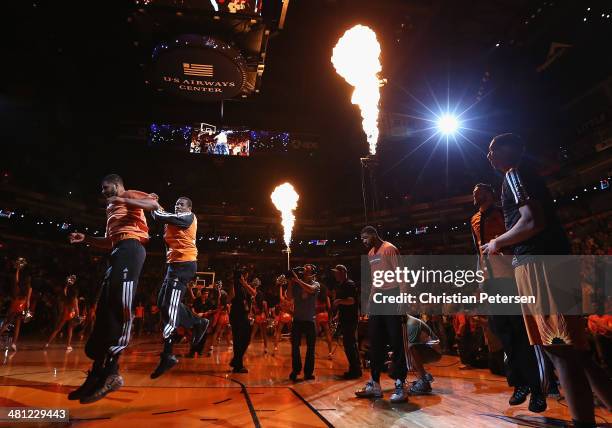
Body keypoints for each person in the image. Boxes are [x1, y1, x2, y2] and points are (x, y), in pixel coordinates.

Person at [482, 133, 612, 426]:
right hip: (554, 261)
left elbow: (531, 221)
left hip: (539, 264)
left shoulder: (514, 174)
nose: (489, 155)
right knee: (577, 351)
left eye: (494, 149)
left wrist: (496, 243)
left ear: (513, 149)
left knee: (559, 349)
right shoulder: (526, 174)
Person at [67, 174, 160, 404]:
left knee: (120, 305)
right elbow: (109, 241)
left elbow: (153, 204)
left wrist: (126, 201)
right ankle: (97, 373)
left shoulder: (127, 195)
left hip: (132, 248)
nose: (103, 191)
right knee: (104, 310)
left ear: (117, 185)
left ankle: (113, 372)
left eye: (105, 187)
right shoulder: (111, 211)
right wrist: (86, 238)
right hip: (118, 250)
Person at [471, 182, 548, 412]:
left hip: (511, 278)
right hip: (491, 282)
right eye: (473, 193)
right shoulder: (473, 220)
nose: (475, 195)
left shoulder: (505, 211)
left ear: (490, 193)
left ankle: (538, 389)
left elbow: (520, 236)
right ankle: (519, 384)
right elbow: (478, 250)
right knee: (504, 335)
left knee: (522, 333)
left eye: (480, 191)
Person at [149, 196, 209, 379]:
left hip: (185, 265)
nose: (178, 206)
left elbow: (159, 215)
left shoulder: (188, 217)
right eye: (176, 204)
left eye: (181, 204)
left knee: (171, 309)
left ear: (189, 207)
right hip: (173, 266)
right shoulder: (170, 219)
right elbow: (158, 214)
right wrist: (154, 203)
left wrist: (152, 203)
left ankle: (168, 354)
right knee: (162, 303)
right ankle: (199, 322)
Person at [355, 226, 408, 403]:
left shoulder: (389, 249)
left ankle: (400, 385)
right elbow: (375, 280)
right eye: (361, 239)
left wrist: (402, 299)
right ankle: (375, 384)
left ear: (373, 235)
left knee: (396, 341)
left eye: (365, 238)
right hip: (378, 298)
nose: (363, 241)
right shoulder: (371, 254)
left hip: (393, 295)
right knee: (375, 342)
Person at [287, 265, 321, 382]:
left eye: (307, 270)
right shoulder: (297, 284)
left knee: (310, 348)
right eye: (304, 270)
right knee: (295, 347)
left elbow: (310, 290)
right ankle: (296, 370)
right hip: (297, 319)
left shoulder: (316, 284)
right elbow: (289, 297)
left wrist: (297, 280)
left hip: (310, 320)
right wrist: (290, 283)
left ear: (313, 273)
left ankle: (308, 372)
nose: (304, 271)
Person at [331, 264, 362, 379]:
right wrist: (338, 314)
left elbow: (351, 301)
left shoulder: (349, 284)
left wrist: (339, 301)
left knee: (350, 344)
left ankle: (355, 370)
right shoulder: (342, 285)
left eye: (337, 272)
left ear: (343, 273)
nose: (335, 275)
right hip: (345, 318)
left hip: (350, 319)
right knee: (349, 344)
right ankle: (355, 368)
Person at [0, 257, 32, 352]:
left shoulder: (18, 286)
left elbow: (16, 279)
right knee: (17, 325)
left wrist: (17, 270)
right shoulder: (29, 288)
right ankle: (14, 344)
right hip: (22, 305)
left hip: (15, 303)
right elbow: (28, 300)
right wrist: (27, 309)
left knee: (7, 322)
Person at [230, 268, 256, 373]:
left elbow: (254, 293)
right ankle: (238, 365)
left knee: (246, 338)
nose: (245, 276)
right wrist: (232, 283)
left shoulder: (245, 285)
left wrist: (244, 283)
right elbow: (231, 297)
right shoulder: (234, 285)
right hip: (236, 315)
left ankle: (236, 360)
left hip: (244, 315)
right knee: (237, 340)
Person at [44, 275, 80, 352]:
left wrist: (67, 284)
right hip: (72, 313)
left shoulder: (65, 296)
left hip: (65, 312)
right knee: (70, 330)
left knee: (57, 329)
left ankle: (47, 343)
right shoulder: (75, 298)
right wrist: (78, 316)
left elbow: (64, 290)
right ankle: (68, 345)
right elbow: (76, 308)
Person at [250, 279, 269, 354]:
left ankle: (248, 345)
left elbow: (253, 311)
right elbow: (266, 311)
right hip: (263, 317)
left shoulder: (254, 302)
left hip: (257, 317)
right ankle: (266, 348)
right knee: (264, 334)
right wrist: (267, 318)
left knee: (253, 333)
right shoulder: (264, 302)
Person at [315, 285, 333, 360]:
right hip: (325, 315)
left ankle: (313, 352)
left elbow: (314, 307)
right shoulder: (326, 297)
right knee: (328, 334)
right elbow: (329, 307)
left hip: (318, 316)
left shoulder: (316, 297)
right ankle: (330, 353)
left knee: (315, 335)